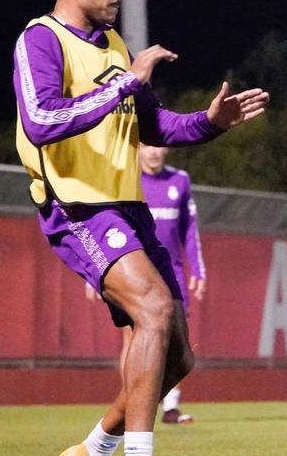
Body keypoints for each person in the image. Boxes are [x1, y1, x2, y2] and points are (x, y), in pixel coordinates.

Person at [16, 0, 269, 456]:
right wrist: (129, 79)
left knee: (178, 356)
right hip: (76, 206)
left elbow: (153, 128)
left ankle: (94, 451)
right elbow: (41, 120)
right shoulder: (40, 39)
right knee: (153, 308)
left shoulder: (112, 45)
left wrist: (211, 122)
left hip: (127, 208)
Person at [88, 145, 208, 422]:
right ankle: (132, 401)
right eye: (147, 145)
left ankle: (170, 407)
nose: (154, 152)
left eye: (159, 144)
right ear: (137, 148)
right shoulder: (125, 178)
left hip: (171, 271)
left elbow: (189, 230)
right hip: (132, 269)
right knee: (133, 338)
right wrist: (98, 268)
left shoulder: (180, 180)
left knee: (176, 341)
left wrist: (198, 270)